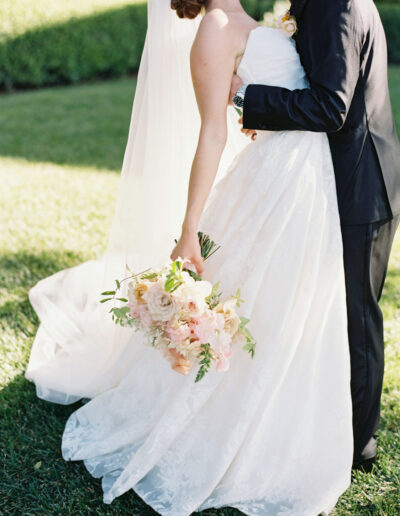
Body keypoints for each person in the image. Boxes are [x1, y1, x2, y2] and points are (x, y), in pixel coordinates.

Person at [26, 0, 354, 513]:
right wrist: (189, 231)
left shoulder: (254, 19)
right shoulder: (215, 29)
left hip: (305, 178)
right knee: (258, 307)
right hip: (275, 181)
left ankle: (282, 423)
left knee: (291, 311)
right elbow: (212, 132)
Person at [232, 0, 400, 471]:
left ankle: (356, 447)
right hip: (348, 180)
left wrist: (250, 100)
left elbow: (332, 106)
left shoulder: (333, 4)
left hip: (362, 188)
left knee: (356, 320)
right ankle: (329, 425)